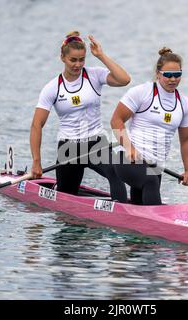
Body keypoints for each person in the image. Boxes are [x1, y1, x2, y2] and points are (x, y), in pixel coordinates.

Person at [30, 31, 130, 202]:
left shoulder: (94, 75)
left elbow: (124, 79)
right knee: (66, 196)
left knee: (117, 174)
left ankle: (123, 213)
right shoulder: (52, 88)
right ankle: (62, 194)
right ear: (62, 57)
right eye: (73, 60)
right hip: (69, 148)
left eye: (82, 60)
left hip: (96, 143)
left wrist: (101, 55)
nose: (78, 65)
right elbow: (36, 125)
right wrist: (36, 161)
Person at [110, 47, 188, 205]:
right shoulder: (142, 92)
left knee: (141, 203)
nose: (172, 79)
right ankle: (157, 229)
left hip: (155, 166)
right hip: (129, 160)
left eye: (177, 75)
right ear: (158, 73)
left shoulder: (184, 103)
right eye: (168, 75)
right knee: (150, 183)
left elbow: (187, 139)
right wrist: (129, 148)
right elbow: (116, 120)